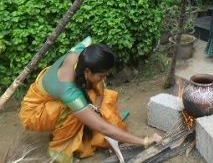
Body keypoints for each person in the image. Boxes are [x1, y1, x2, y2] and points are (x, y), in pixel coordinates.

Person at [19, 38, 162, 163]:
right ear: (87, 72)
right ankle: (58, 151)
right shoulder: (69, 92)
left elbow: (87, 40)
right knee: (73, 111)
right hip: (35, 112)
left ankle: (87, 121)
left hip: (63, 93)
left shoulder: (81, 53)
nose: (105, 77)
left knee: (99, 94)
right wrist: (144, 141)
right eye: (102, 74)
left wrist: (96, 108)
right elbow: (102, 127)